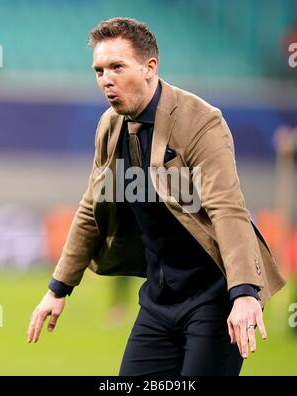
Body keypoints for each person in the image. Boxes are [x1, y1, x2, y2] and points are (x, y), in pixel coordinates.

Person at [27, 18, 285, 376]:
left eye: (117, 66)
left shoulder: (201, 122)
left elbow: (227, 208)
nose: (106, 79)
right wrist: (58, 288)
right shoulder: (109, 126)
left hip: (215, 296)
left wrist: (242, 293)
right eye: (99, 70)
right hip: (159, 298)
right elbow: (91, 208)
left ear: (150, 68)